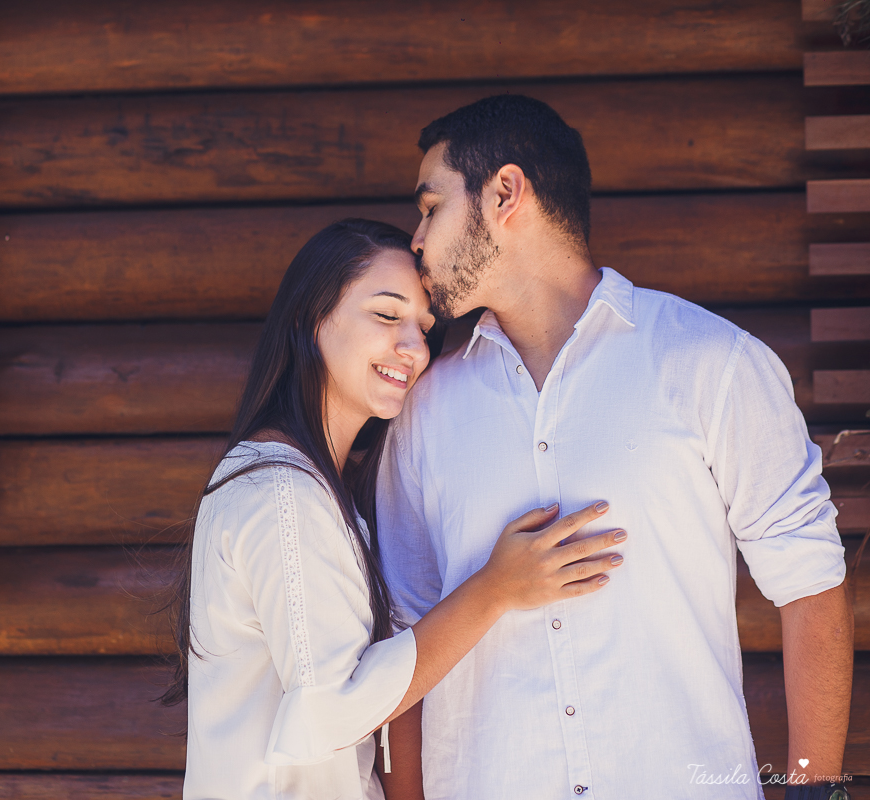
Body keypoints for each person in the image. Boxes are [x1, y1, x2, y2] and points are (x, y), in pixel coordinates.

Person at [377, 95, 854, 799]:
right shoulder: (423, 411)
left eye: (430, 208)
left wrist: (816, 792)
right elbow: (404, 645)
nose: (415, 240)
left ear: (505, 192)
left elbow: (811, 585)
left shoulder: (711, 362)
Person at [165, 218, 627, 800]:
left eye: (425, 328)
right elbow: (333, 712)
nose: (413, 347)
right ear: (313, 317)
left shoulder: (319, 488)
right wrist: (495, 589)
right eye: (387, 316)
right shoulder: (280, 494)